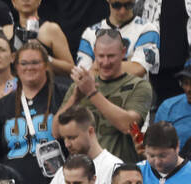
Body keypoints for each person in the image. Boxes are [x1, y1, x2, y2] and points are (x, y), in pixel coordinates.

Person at [54, 29, 151, 164]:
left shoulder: (139, 85)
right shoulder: (81, 85)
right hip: (84, 173)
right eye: (101, 56)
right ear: (94, 53)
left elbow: (127, 125)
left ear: (123, 52)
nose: (105, 62)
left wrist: (92, 93)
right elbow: (56, 131)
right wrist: (74, 98)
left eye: (111, 56)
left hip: (120, 171)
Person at [0, 41, 66, 184]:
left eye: (35, 62)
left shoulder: (63, 96)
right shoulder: (3, 106)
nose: (29, 67)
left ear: (46, 65)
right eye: (24, 63)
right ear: (16, 67)